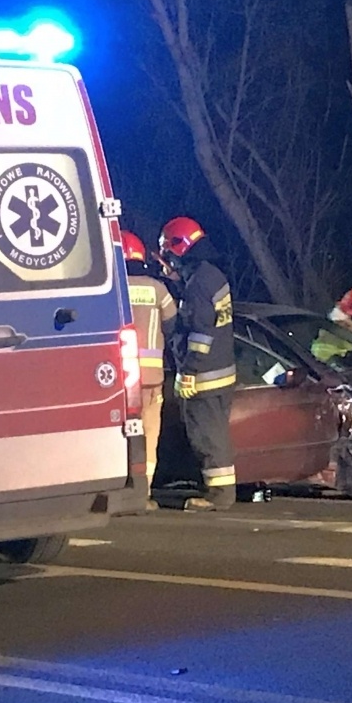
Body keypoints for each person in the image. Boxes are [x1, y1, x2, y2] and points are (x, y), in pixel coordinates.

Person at [159, 216, 236, 511]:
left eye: (168, 254)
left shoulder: (198, 283)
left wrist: (189, 372)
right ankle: (222, 491)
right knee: (217, 433)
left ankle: (219, 496)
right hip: (221, 370)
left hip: (204, 374)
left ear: (178, 248)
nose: (168, 262)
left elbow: (201, 333)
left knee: (207, 436)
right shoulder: (212, 275)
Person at [121, 231, 178, 494]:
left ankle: (120, 485)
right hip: (153, 378)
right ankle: (143, 492)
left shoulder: (114, 287)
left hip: (117, 380)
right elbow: (173, 323)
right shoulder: (157, 289)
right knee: (149, 433)